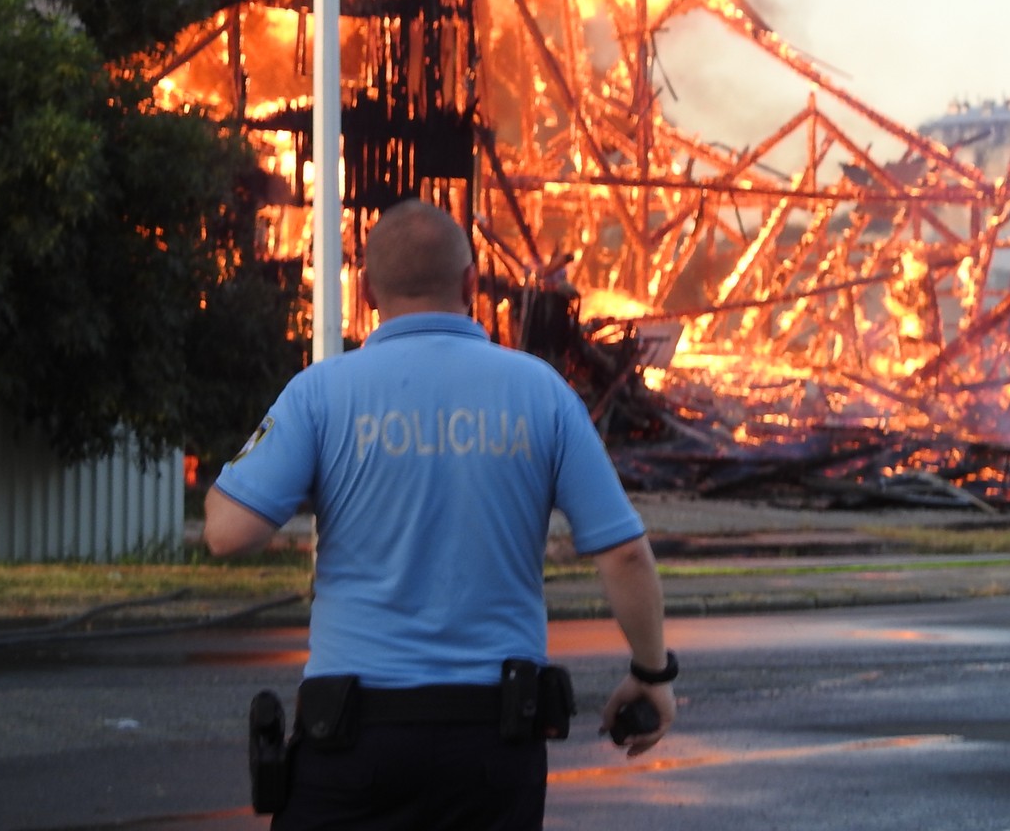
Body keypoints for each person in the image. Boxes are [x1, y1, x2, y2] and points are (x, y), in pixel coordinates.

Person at [204, 199, 676, 830]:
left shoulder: (320, 394)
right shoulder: (541, 392)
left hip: (352, 741)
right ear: (471, 283)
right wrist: (651, 673)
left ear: (367, 290)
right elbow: (623, 553)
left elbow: (228, 533)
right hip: (492, 747)